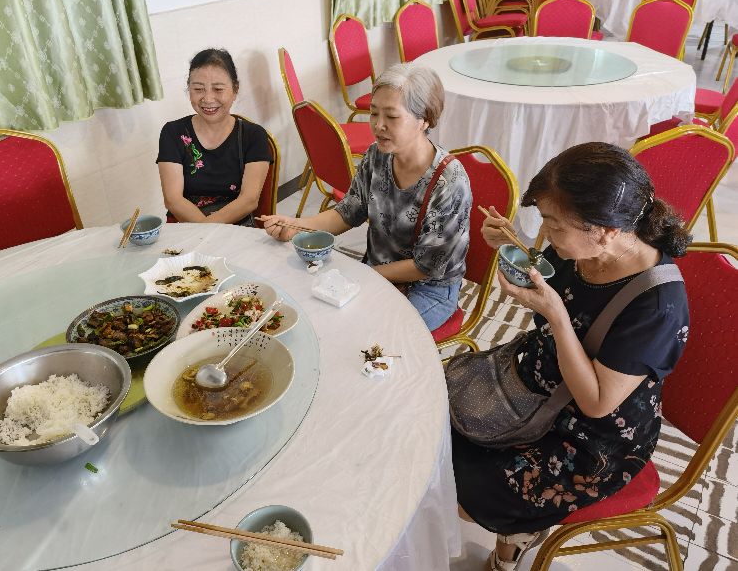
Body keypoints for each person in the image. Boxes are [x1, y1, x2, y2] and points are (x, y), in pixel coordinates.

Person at [452, 142, 691, 570]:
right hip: (536, 383)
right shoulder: (582, 248)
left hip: (589, 440)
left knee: (458, 484)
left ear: (605, 230)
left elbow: (597, 402)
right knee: (431, 424)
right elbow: (552, 283)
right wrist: (514, 246)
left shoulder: (657, 305)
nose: (546, 236)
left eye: (554, 226)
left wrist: (556, 316)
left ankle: (518, 535)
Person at [261, 63, 472, 331]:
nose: (378, 125)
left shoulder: (449, 181)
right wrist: (296, 227)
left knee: (367, 335)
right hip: (376, 271)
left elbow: (426, 266)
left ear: (424, 120)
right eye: (373, 113)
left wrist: (363, 276)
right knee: (314, 315)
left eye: (391, 117)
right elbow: (347, 212)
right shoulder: (377, 155)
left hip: (428, 289)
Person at [156, 49, 271, 226]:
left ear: (235, 90)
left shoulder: (254, 136)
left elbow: (249, 200)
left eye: (218, 89)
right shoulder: (173, 132)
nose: (208, 98)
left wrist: (207, 233)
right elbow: (173, 200)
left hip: (235, 227)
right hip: (185, 225)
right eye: (198, 89)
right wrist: (205, 233)